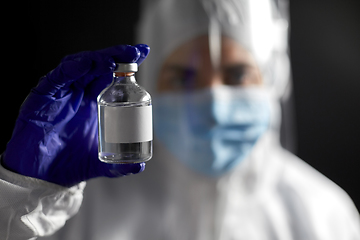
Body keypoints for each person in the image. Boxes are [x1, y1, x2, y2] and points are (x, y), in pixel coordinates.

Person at [1, 0, 359, 239]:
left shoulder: (323, 215)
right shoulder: (70, 208)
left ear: (274, 77)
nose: (214, 104)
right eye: (183, 77)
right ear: (151, 80)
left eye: (237, 74)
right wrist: (21, 203)